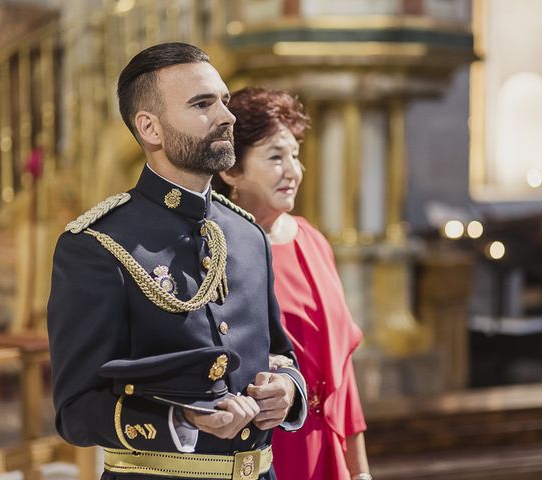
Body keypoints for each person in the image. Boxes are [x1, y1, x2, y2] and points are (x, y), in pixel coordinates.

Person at [47, 43, 307, 480]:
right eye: (202, 104)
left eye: (224, 101)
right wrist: (180, 421)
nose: (227, 117)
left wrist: (287, 392)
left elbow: (279, 354)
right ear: (150, 128)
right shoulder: (97, 243)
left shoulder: (246, 235)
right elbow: (74, 409)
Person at [213, 87, 371, 480]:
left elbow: (342, 374)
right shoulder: (215, 251)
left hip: (326, 447)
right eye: (275, 156)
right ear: (232, 170)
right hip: (264, 448)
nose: (293, 170)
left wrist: (360, 470)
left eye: (295, 155)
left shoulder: (311, 239)